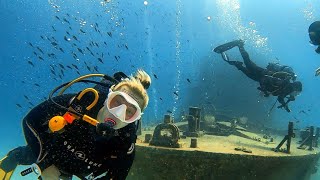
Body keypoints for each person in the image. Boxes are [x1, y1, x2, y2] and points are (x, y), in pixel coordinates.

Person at [0, 69, 151, 180]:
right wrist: (43, 162)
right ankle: (8, 164)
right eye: (117, 102)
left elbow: (117, 176)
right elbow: (30, 120)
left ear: (135, 119)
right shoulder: (81, 104)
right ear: (107, 98)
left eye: (130, 112)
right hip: (46, 152)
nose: (118, 114)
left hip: (72, 171)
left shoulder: (125, 139)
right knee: (16, 157)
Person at [214, 40, 302, 112]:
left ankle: (234, 62)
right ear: (294, 88)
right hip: (260, 73)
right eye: (297, 93)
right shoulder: (283, 82)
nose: (296, 95)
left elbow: (280, 98)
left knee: (241, 68)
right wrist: (263, 88)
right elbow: (265, 79)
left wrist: (285, 106)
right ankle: (239, 44)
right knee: (247, 62)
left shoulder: (286, 91)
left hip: (257, 78)